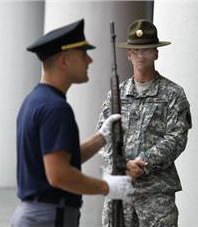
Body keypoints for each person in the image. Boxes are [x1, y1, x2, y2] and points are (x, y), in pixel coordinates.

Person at [11, 19, 134, 227]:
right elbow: (58, 174)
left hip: (36, 214)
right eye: (83, 53)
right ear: (64, 61)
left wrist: (101, 138)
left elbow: (60, 158)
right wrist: (107, 187)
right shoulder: (56, 108)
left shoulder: (36, 100)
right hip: (50, 217)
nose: (89, 61)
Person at [97, 19, 192, 227]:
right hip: (120, 190)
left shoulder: (173, 93)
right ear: (129, 54)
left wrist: (143, 163)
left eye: (147, 49)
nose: (141, 55)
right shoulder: (116, 95)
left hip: (156, 194)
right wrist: (122, 165)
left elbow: (177, 137)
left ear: (156, 53)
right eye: (136, 50)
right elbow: (103, 137)